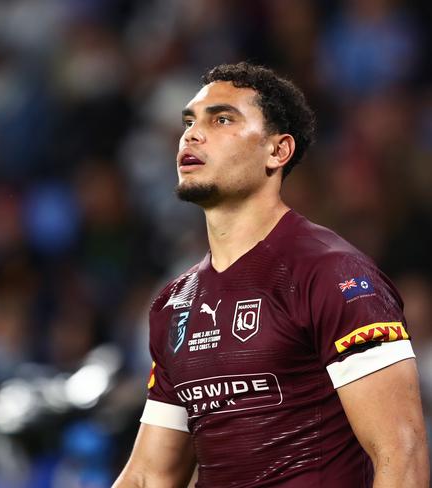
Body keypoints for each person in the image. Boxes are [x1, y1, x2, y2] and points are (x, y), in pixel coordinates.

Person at [113, 62, 429, 487]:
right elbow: (150, 475)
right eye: (189, 121)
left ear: (277, 152)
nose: (191, 134)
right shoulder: (174, 304)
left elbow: (401, 452)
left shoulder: (333, 274)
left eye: (222, 119)